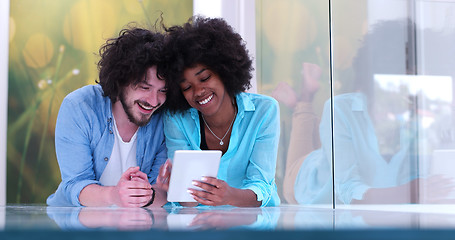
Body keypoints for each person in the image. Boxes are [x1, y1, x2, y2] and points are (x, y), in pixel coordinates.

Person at [158, 16, 280, 207]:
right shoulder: (177, 119)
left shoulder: (263, 111)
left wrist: (229, 195)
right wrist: (176, 189)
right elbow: (187, 200)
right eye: (187, 87)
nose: (198, 91)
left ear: (224, 71)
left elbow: (262, 185)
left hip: (255, 224)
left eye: (205, 78)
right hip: (201, 227)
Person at [47, 26, 168, 207]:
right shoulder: (79, 107)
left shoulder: (164, 119)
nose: (154, 100)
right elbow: (75, 185)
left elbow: (160, 191)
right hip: (74, 227)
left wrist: (146, 195)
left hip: (135, 229)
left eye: (163, 91)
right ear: (120, 79)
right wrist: (115, 195)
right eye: (144, 87)